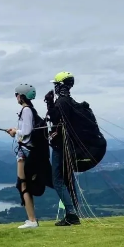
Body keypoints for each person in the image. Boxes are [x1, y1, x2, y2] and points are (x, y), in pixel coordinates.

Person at [45, 71, 81, 227]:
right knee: (68, 179)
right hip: (69, 146)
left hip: (61, 146)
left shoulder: (62, 102)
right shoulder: (70, 101)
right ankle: (72, 214)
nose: (55, 87)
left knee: (58, 181)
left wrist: (49, 103)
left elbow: (55, 119)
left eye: (56, 85)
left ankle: (71, 214)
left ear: (60, 85)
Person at [7, 83, 39, 229]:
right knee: (23, 184)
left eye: (16, 95)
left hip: (25, 152)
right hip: (28, 150)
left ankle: (32, 220)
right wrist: (16, 131)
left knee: (22, 184)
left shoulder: (26, 110)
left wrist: (15, 132)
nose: (16, 98)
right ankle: (31, 219)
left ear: (21, 96)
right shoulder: (29, 110)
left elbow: (26, 132)